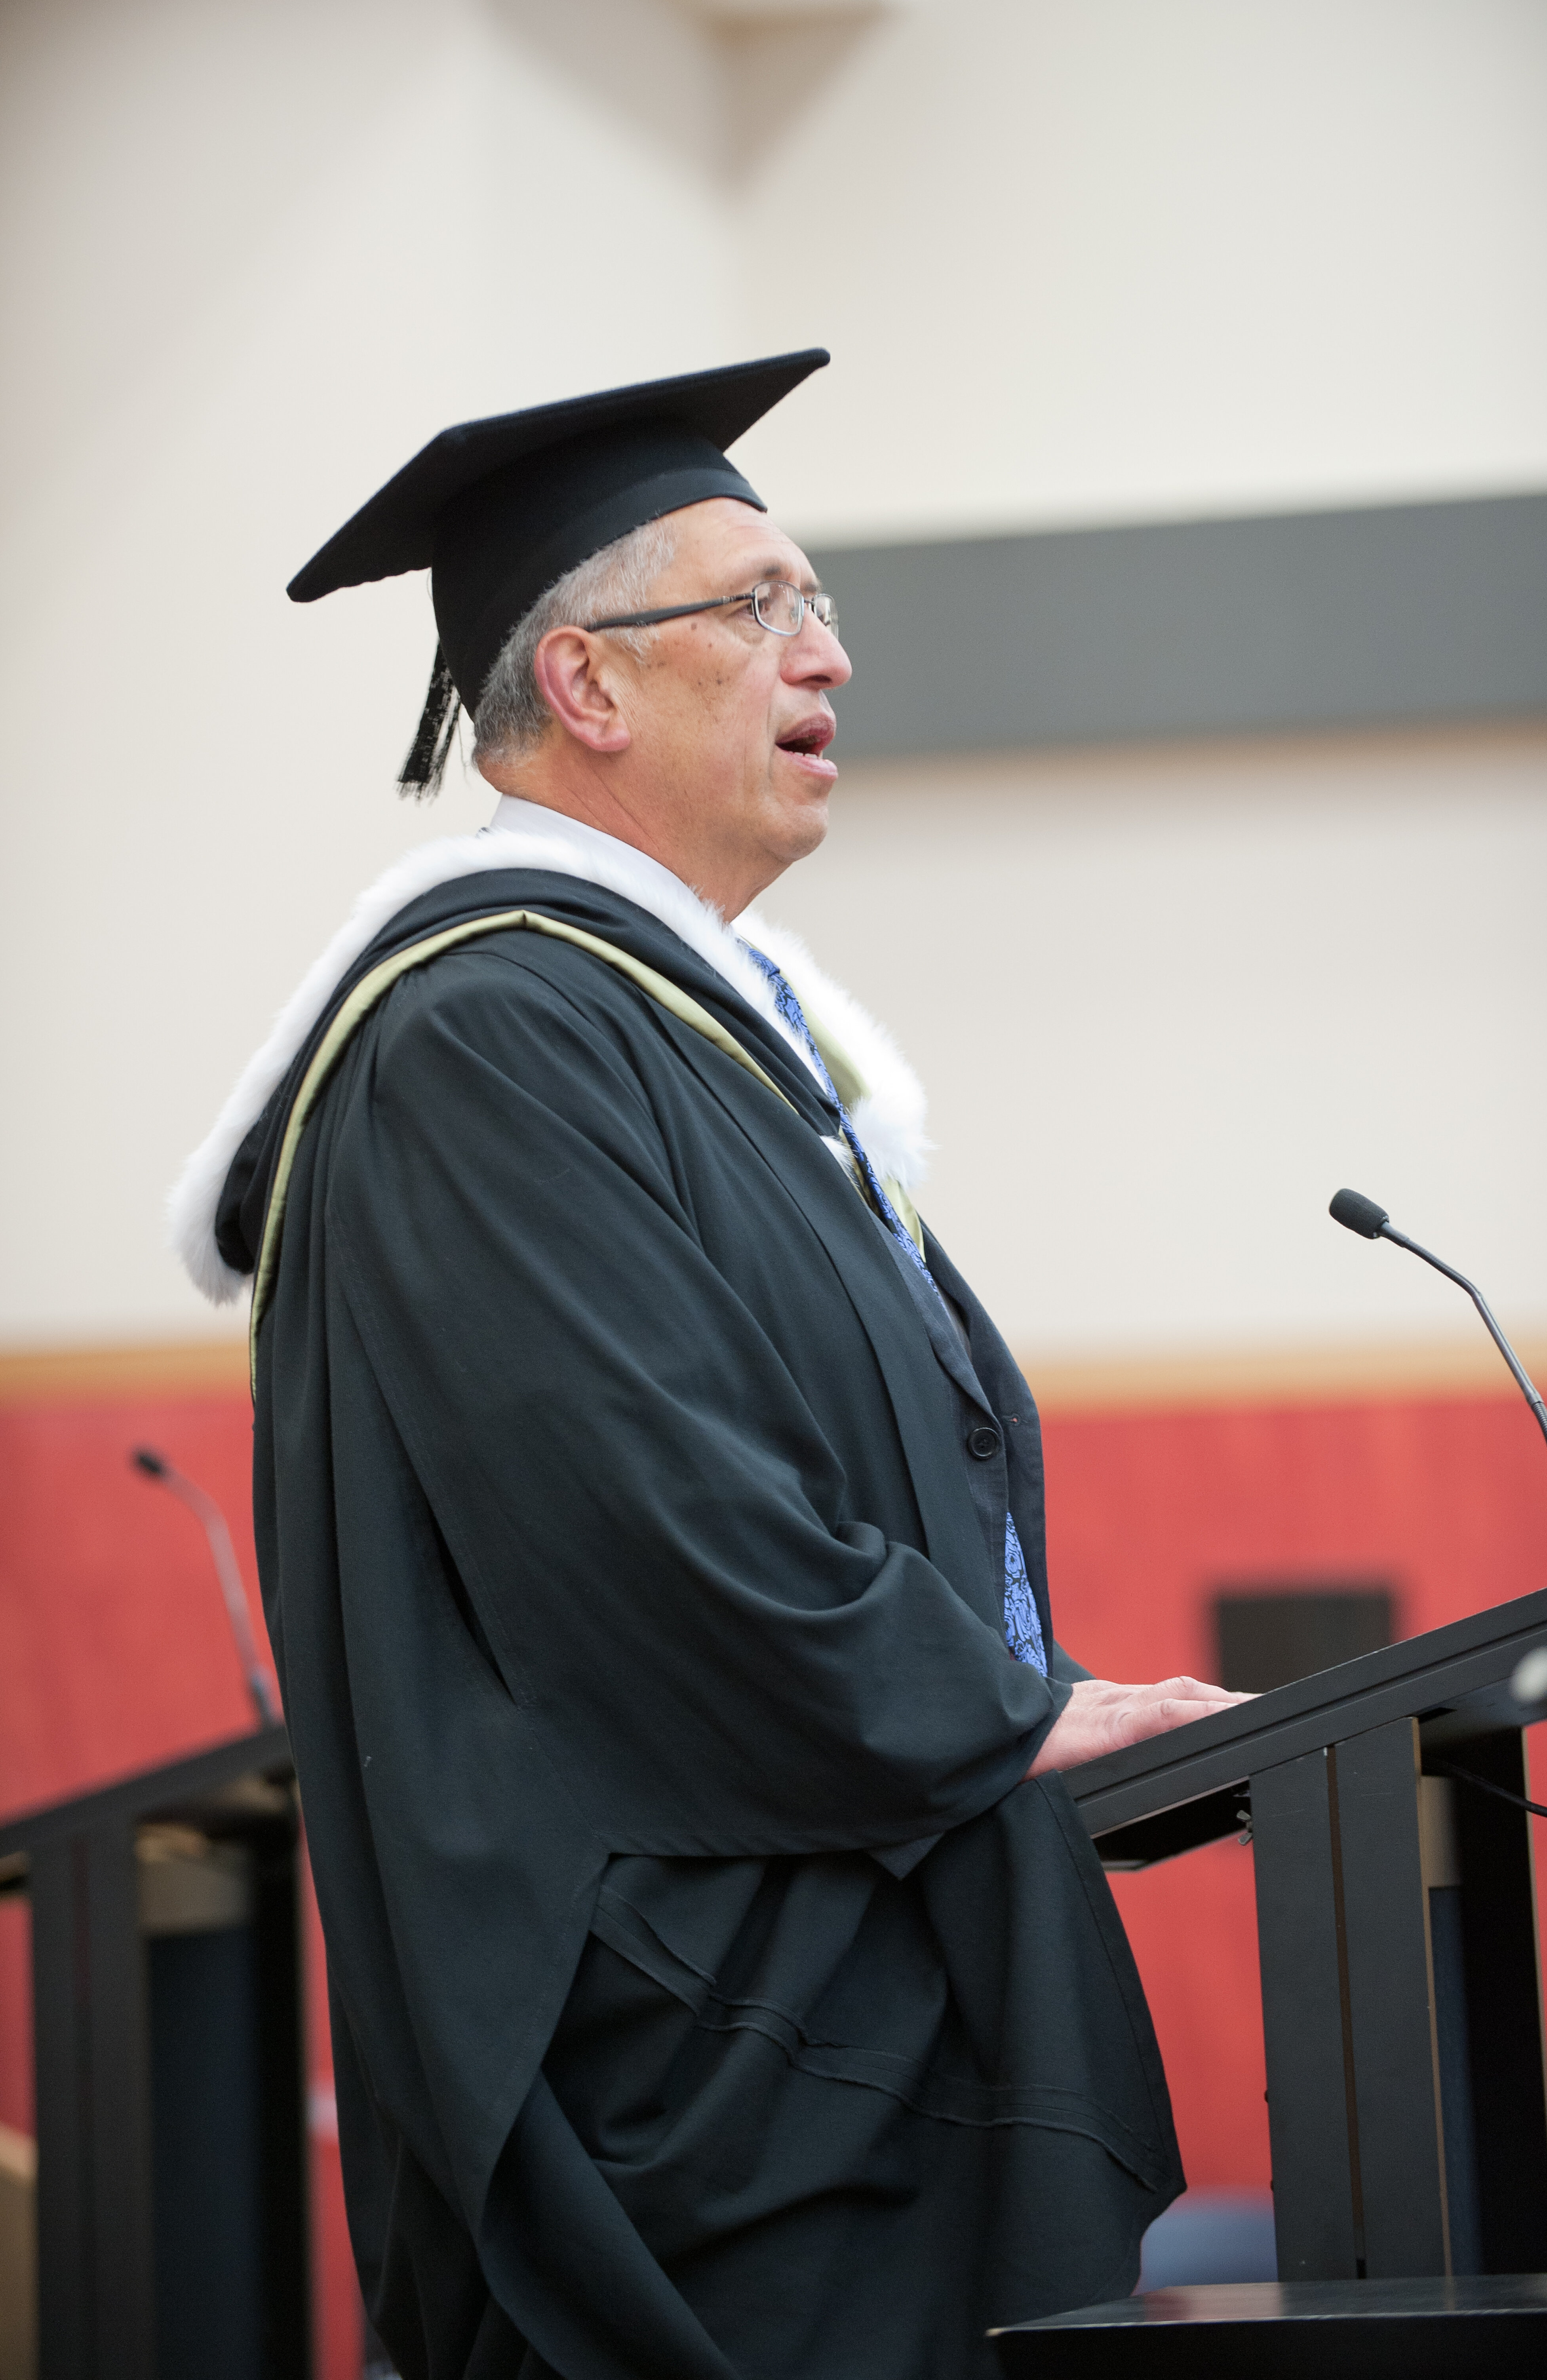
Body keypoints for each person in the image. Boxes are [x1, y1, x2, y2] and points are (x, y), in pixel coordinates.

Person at [173, 349, 1242, 2380]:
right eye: (759, 605)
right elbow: (638, 1516)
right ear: (584, 685)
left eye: (818, 602)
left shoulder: (694, 1038)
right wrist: (998, 1716)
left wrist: (1021, 1705)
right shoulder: (483, 1043)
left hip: (824, 2007)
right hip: (703, 2078)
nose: (824, 654)